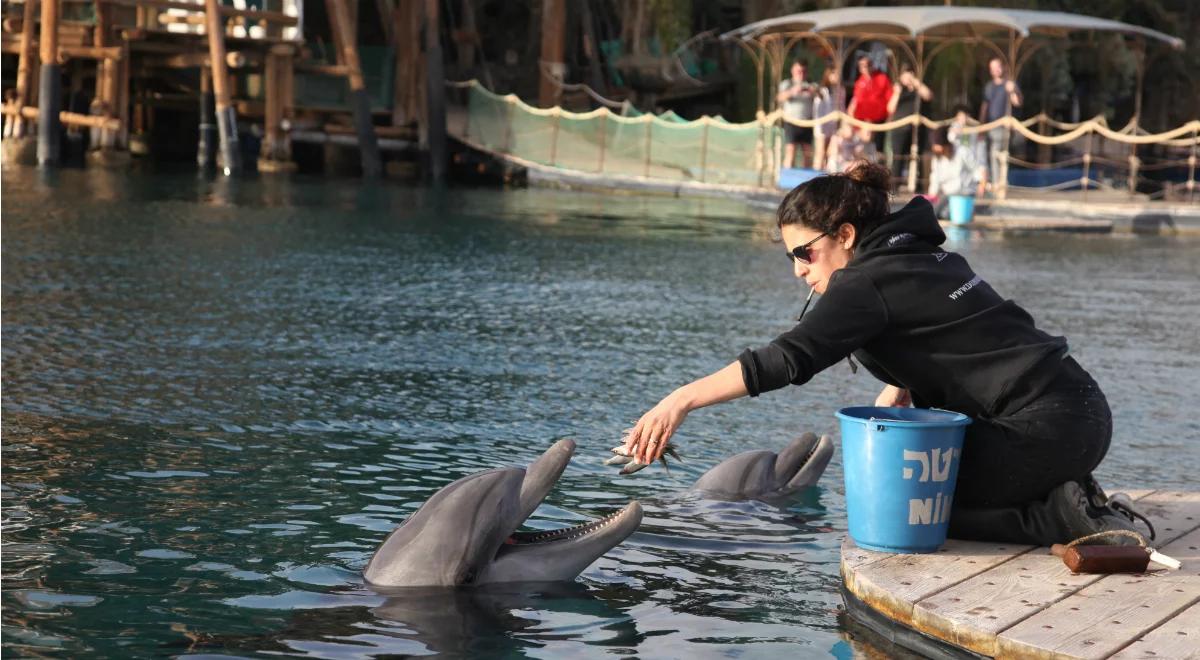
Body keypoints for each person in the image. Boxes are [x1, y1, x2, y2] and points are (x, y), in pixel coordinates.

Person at [621, 161, 1150, 547]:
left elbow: (784, 360)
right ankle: (1062, 488)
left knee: (898, 509)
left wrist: (679, 401)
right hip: (1080, 413)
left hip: (1041, 431)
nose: (799, 270)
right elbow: (950, 331)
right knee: (910, 480)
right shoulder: (918, 252)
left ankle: (1054, 517)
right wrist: (901, 381)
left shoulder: (865, 281)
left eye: (804, 253)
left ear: (846, 235)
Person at [979, 58, 1022, 191]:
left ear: (1002, 67)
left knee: (997, 153)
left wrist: (1013, 90)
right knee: (988, 154)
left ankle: (999, 183)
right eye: (993, 68)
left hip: (1003, 127)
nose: (996, 70)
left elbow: (1017, 102)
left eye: (997, 67)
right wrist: (981, 126)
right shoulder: (989, 86)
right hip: (990, 126)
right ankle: (993, 181)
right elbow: (985, 107)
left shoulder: (1009, 84)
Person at [927, 127, 986, 217]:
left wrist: (982, 183)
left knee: (947, 214)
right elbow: (935, 180)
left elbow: (977, 169)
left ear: (947, 145)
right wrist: (931, 198)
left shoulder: (962, 152)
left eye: (942, 150)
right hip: (947, 195)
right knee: (933, 211)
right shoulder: (937, 159)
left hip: (965, 194)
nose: (941, 154)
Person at [846, 50, 897, 155]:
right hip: (862, 123)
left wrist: (889, 117)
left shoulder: (882, 79)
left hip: (879, 121)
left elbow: (890, 100)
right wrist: (856, 126)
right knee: (861, 151)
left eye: (868, 65)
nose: (866, 68)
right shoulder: (859, 82)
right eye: (863, 65)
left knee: (878, 151)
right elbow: (856, 103)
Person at [887, 67, 932, 177]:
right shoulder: (898, 89)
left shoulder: (919, 89)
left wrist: (914, 81)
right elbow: (890, 108)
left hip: (917, 129)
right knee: (898, 157)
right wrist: (897, 92)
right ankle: (895, 184)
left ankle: (918, 186)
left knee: (918, 157)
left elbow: (928, 95)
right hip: (899, 128)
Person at [777, 60, 818, 169]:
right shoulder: (787, 84)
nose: (801, 74)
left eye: (803, 71)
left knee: (807, 153)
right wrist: (792, 91)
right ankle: (788, 177)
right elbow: (780, 97)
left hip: (807, 122)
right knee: (791, 150)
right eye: (798, 71)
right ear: (793, 71)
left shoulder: (811, 84)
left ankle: (806, 179)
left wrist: (812, 91)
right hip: (791, 122)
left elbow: (820, 95)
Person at [813, 68, 846, 172]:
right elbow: (818, 109)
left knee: (831, 152)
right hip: (822, 125)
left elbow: (842, 107)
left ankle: (826, 175)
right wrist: (820, 125)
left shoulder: (841, 90)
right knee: (820, 152)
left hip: (834, 125)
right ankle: (816, 175)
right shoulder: (822, 90)